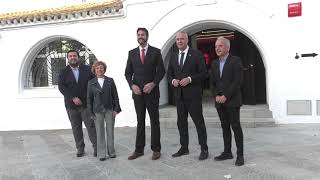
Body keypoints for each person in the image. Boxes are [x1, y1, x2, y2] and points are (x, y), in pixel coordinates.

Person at [125, 27, 165, 160]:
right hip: (138, 94)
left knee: (154, 121)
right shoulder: (132, 53)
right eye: (138, 35)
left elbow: (161, 71)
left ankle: (156, 149)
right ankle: (139, 150)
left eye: (142, 34)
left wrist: (153, 83)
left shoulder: (156, 52)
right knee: (140, 121)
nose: (140, 36)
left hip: (152, 92)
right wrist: (132, 86)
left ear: (147, 36)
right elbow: (128, 73)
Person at [167, 31, 209, 160]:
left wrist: (190, 79)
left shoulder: (196, 54)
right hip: (179, 96)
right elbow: (169, 75)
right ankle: (184, 148)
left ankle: (204, 149)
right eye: (178, 39)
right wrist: (173, 81)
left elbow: (204, 73)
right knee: (181, 123)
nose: (179, 41)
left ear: (187, 40)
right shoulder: (173, 56)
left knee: (199, 123)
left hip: (193, 96)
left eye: (182, 39)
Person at [211, 36, 244, 166]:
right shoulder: (214, 63)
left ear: (227, 47)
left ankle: (240, 155)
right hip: (219, 102)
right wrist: (216, 96)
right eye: (215, 46)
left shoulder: (236, 61)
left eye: (220, 46)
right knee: (225, 127)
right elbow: (212, 83)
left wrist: (226, 96)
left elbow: (237, 82)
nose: (217, 48)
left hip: (232, 101)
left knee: (235, 127)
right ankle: (227, 152)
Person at [58, 50, 97, 157]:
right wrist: (72, 98)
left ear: (78, 57)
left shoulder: (87, 69)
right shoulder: (63, 72)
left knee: (91, 126)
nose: (72, 57)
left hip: (86, 105)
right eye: (70, 56)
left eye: (74, 55)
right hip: (71, 106)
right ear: (68, 58)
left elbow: (93, 83)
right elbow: (62, 88)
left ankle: (97, 147)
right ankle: (80, 148)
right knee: (76, 128)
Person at [87, 61, 121, 161]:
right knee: (100, 132)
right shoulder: (91, 82)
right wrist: (91, 113)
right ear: (94, 70)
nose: (99, 69)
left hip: (109, 109)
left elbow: (115, 96)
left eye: (101, 68)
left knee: (110, 131)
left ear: (104, 69)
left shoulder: (110, 81)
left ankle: (111, 152)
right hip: (97, 110)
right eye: (97, 68)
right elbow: (89, 99)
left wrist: (116, 109)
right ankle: (102, 154)